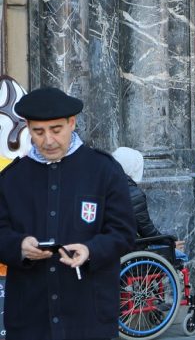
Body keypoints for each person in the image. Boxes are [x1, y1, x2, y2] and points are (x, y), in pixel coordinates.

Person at [0, 87, 136, 340]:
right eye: (38, 132)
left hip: (89, 316)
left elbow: (124, 233)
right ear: (28, 128)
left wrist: (91, 250)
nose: (48, 140)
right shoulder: (11, 178)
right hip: (29, 318)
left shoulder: (104, 170)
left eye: (56, 130)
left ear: (72, 123)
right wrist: (18, 247)